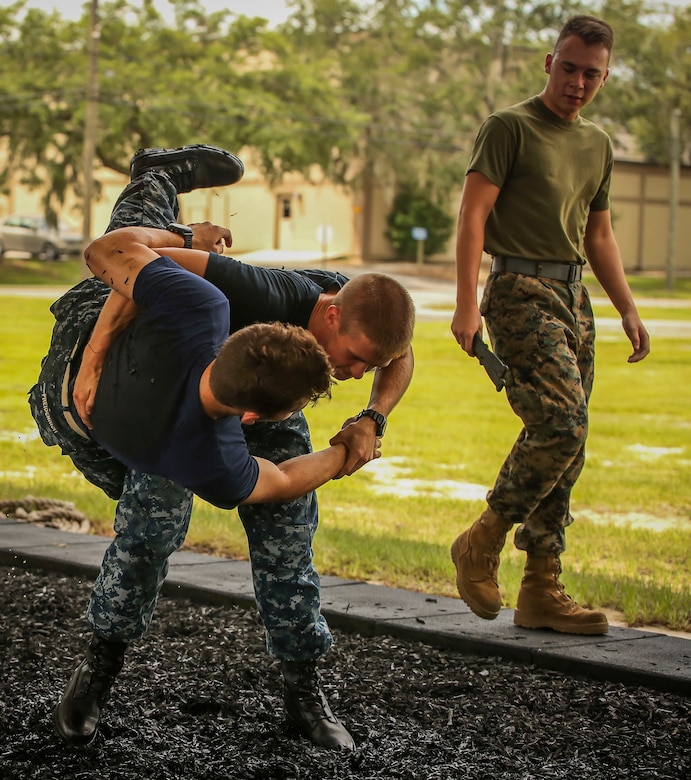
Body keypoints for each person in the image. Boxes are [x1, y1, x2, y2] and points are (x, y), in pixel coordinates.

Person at [32, 145, 415, 751]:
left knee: (290, 545)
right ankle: (96, 674)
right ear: (332, 319)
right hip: (189, 391)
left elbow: (397, 354)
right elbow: (139, 259)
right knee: (148, 534)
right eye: (355, 360)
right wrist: (99, 353)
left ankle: (302, 689)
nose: (356, 371)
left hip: (271, 403)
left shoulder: (356, 301)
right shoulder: (252, 289)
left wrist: (372, 418)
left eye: (368, 366)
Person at [450, 16, 650, 636]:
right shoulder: (509, 127)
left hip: (573, 294)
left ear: (605, 76)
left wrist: (627, 306)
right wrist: (465, 302)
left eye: (592, 73)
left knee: (573, 442)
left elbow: (599, 234)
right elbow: (472, 216)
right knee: (559, 423)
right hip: (516, 291)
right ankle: (482, 538)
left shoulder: (598, 144)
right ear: (548, 62)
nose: (578, 82)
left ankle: (541, 587)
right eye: (569, 67)